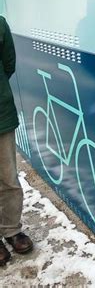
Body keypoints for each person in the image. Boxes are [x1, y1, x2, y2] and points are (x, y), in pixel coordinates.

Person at [0, 16, 34, 266]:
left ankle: (12, 230)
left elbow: (8, 64)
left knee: (9, 178)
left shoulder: (0, 24)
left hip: (0, 115)